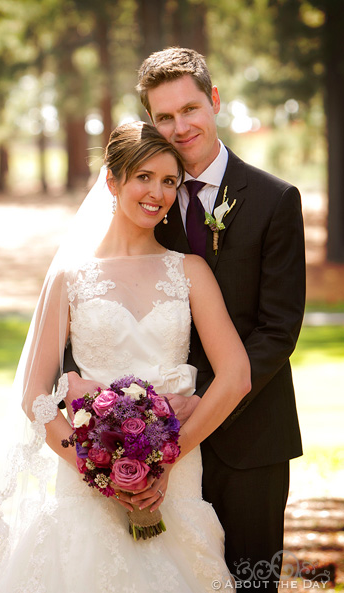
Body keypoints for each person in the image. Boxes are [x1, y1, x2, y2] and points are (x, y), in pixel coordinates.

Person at [0, 121, 251, 593]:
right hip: (86, 488)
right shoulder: (70, 277)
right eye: (143, 177)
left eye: (169, 181)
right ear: (113, 180)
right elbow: (36, 396)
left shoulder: (190, 271)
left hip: (176, 481)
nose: (157, 193)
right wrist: (100, 471)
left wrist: (161, 462)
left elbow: (236, 377)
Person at [136, 47, 305, 590]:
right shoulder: (146, 204)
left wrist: (202, 395)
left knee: (251, 583)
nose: (180, 127)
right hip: (155, 437)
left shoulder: (275, 200)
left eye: (189, 108)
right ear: (151, 122)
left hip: (252, 437)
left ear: (214, 100)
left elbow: (278, 331)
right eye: (164, 117)